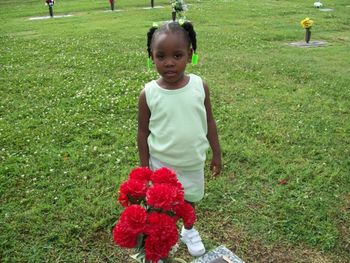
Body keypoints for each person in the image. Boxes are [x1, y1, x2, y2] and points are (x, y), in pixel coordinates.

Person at [137, 21, 222, 257]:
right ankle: (166, 234)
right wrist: (144, 168)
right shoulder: (149, 94)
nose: (169, 62)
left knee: (189, 202)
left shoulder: (199, 86)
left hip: (193, 161)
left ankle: (188, 230)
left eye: (178, 55)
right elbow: (143, 133)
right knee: (163, 206)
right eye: (161, 56)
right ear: (151, 57)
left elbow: (210, 122)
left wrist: (217, 153)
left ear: (190, 54)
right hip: (162, 166)